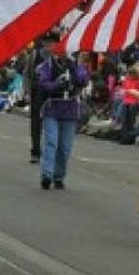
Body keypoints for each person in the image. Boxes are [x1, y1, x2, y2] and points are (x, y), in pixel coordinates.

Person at [36, 47, 87, 189]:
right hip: (52, 107)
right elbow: (42, 82)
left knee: (65, 147)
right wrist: (56, 85)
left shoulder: (77, 65)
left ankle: (59, 176)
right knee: (51, 142)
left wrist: (73, 68)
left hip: (70, 109)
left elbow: (83, 80)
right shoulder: (49, 64)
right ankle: (47, 174)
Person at [24, 33, 56, 164]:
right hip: (37, 93)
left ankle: (51, 152)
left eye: (52, 43)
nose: (49, 45)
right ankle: (35, 152)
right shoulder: (34, 55)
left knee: (51, 124)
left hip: (52, 94)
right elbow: (27, 74)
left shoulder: (57, 57)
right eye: (47, 42)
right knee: (36, 124)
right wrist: (26, 92)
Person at [118, 64, 139, 145]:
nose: (130, 75)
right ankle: (124, 136)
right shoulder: (127, 80)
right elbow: (124, 91)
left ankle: (129, 137)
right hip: (126, 100)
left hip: (135, 101)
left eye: (132, 74)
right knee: (125, 117)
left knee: (130, 116)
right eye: (129, 74)